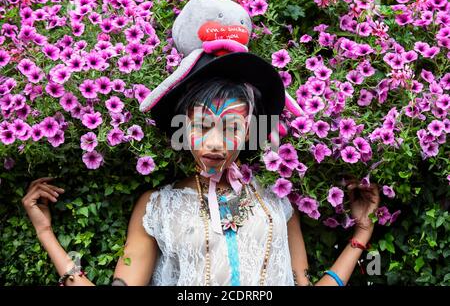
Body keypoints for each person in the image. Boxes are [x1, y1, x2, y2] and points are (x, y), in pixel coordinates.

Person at [22, 75, 380, 286]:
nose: (214, 143)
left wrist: (362, 232)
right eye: (201, 126)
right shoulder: (158, 206)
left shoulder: (277, 203)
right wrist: (45, 235)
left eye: (232, 128)